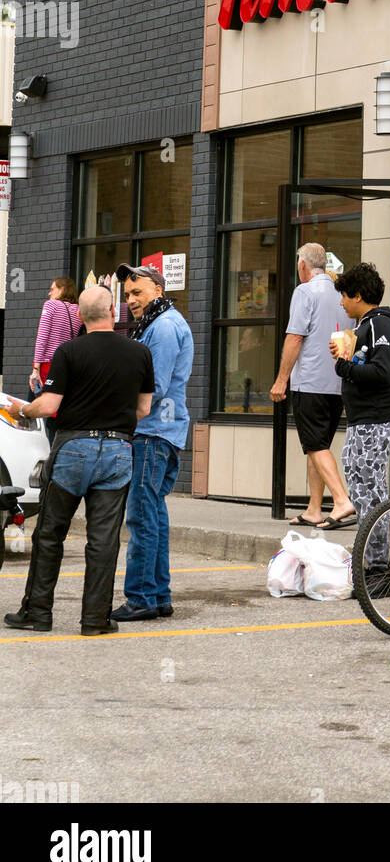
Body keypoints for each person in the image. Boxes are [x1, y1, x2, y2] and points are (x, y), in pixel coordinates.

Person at [3, 286, 154, 635]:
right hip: (118, 451)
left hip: (73, 450)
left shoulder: (68, 351)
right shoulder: (139, 352)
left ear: (81, 317)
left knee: (50, 534)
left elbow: (49, 406)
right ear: (113, 310)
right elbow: (144, 409)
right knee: (103, 540)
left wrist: (21, 408)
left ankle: (37, 613)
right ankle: (95, 620)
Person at [110, 264, 193, 622]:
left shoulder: (162, 327)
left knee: (142, 516)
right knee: (153, 514)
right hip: (163, 431)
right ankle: (158, 596)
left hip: (154, 431)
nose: (131, 300)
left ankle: (141, 597)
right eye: (127, 294)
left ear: (157, 288)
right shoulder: (162, 322)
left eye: (137, 292)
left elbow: (153, 387)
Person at [270, 242, 356, 529]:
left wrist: (281, 380)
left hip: (310, 382)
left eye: (298, 263)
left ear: (303, 266)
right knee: (318, 445)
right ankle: (314, 509)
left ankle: (341, 500)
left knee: (315, 445)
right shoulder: (340, 294)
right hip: (336, 382)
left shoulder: (304, 291)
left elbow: (295, 338)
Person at [329, 262, 390, 562]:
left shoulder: (380, 325)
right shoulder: (364, 326)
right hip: (364, 419)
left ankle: (376, 567)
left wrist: (344, 367)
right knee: (360, 487)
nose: (341, 302)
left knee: (370, 493)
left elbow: (382, 372)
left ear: (358, 295)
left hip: (377, 418)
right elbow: (368, 365)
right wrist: (348, 358)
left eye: (345, 296)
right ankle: (370, 561)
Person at [30, 278, 81, 439]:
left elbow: (42, 337)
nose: (49, 292)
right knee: (59, 410)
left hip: (48, 365)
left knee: (34, 409)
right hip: (68, 365)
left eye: (53, 289)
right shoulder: (77, 310)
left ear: (62, 289)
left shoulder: (51, 305)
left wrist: (35, 368)